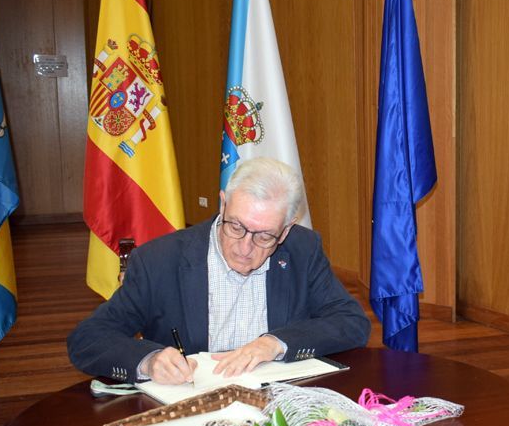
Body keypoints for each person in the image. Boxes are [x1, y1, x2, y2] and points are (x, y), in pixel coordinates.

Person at [68, 158, 370, 384]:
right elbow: (88, 339)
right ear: (223, 204)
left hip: (279, 403)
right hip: (193, 407)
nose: (245, 247)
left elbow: (352, 323)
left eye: (264, 236)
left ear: (286, 229)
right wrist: (148, 360)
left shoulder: (302, 249)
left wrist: (274, 343)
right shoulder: (159, 260)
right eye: (236, 226)